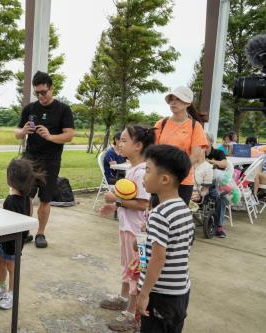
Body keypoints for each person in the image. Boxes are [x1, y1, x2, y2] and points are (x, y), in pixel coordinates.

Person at [99, 125, 154, 332]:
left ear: (138, 145)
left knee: (135, 271)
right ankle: (123, 298)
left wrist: (117, 198)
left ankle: (132, 313)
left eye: (123, 140)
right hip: (127, 227)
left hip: (137, 232)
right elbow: (132, 201)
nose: (119, 144)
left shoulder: (142, 172)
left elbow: (142, 204)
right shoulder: (133, 169)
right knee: (127, 265)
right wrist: (114, 205)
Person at [137, 144, 194, 333]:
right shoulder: (183, 208)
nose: (144, 176)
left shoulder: (159, 214)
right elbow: (179, 245)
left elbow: (158, 258)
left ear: (164, 179)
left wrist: (144, 293)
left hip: (160, 294)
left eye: (147, 170)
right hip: (180, 293)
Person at [15, 71, 75, 248]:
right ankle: (25, 231)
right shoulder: (29, 109)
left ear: (52, 89)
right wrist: (23, 132)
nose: (41, 96)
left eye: (44, 92)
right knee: (25, 196)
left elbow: (69, 135)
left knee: (45, 199)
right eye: (37, 93)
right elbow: (17, 133)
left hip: (51, 160)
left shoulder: (63, 109)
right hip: (29, 160)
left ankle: (40, 233)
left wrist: (50, 137)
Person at [0, 159, 44, 310]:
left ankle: (12, 293)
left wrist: (1, 211)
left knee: (11, 266)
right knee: (0, 261)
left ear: (10, 179)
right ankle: (1, 287)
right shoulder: (22, 198)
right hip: (8, 239)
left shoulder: (13, 200)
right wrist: (2, 208)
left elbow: (11, 217)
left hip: (13, 240)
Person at [153, 86, 208, 206]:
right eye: (171, 99)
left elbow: (195, 156)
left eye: (178, 99)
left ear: (187, 103)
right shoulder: (161, 124)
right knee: (156, 216)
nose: (173, 102)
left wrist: (176, 172)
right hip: (160, 178)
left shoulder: (195, 126)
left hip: (183, 180)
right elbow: (153, 152)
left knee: (177, 220)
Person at [205, 133, 230, 238]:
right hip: (197, 184)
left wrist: (209, 161)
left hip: (213, 184)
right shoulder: (196, 152)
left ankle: (219, 226)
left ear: (211, 142)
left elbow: (224, 164)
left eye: (204, 140)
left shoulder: (218, 152)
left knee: (221, 199)